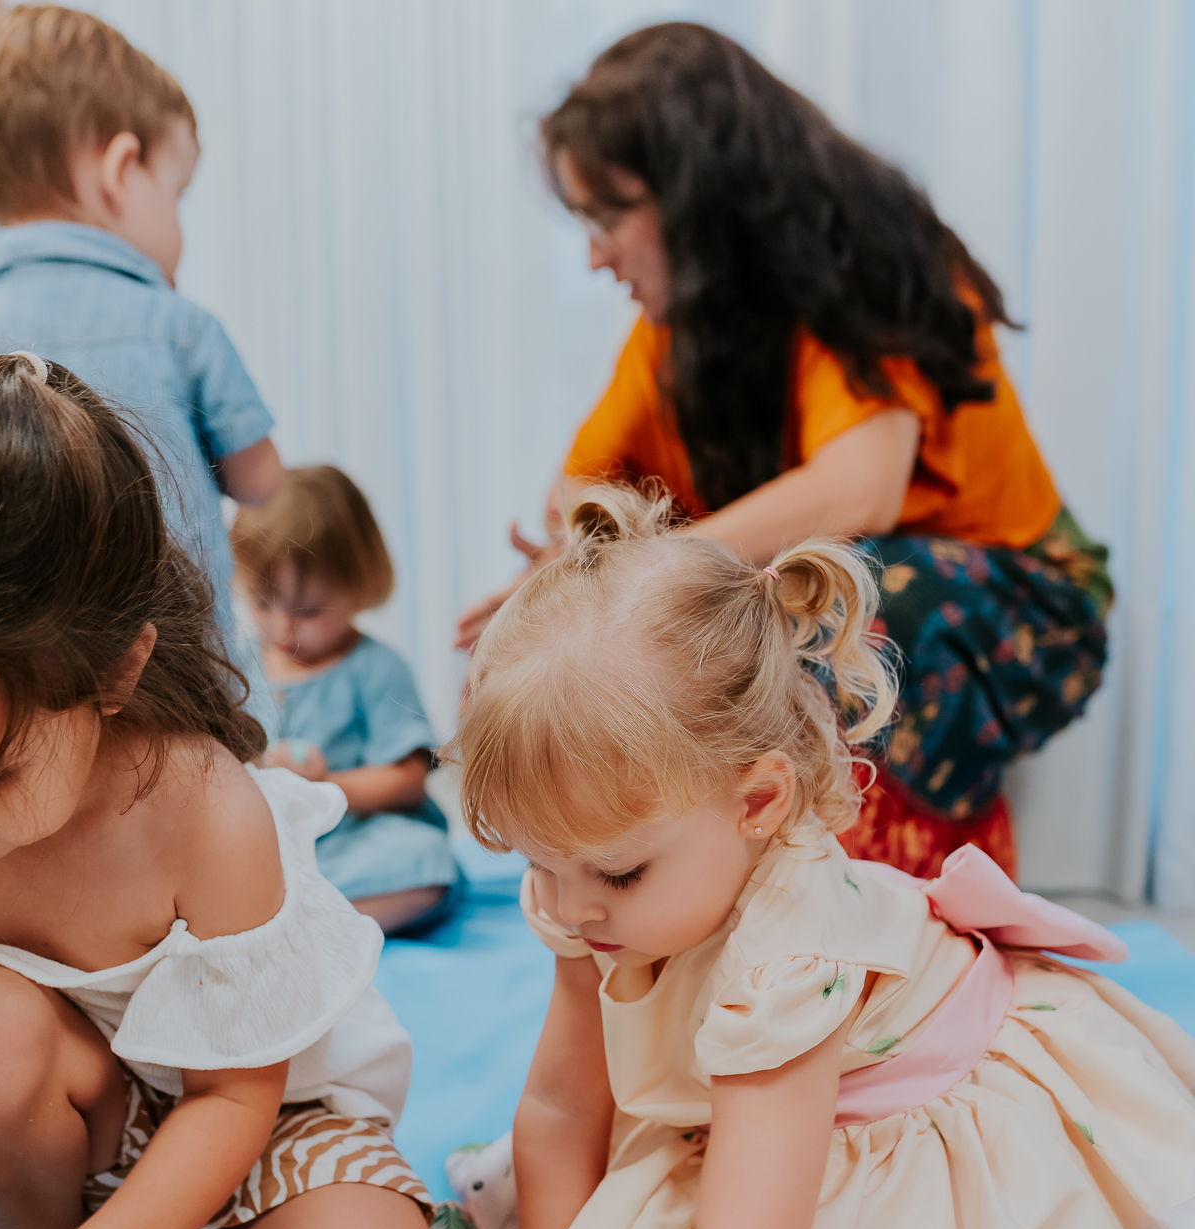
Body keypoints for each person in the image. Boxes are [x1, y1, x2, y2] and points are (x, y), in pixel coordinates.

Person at [356, 486, 1195, 1229]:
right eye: (535, 863)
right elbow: (568, 1101)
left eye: (612, 871)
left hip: (917, 1120)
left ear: (757, 805)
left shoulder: (789, 951)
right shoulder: (590, 887)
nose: (566, 909)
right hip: (749, 1111)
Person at [454, 23, 1112, 882]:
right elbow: (580, 492)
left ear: (697, 195)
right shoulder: (678, 331)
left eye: (609, 216)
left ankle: (871, 914)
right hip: (864, 582)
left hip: (1028, 600)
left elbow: (859, 488)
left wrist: (639, 578)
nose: (593, 254)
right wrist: (566, 590)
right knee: (668, 620)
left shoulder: (871, 270)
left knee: (827, 602)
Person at [0, 354, 450, 1229]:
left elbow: (232, 1103)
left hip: (264, 1113)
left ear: (115, 672)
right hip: (89, 1117)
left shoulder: (205, 806)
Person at [0, 5, 282, 656]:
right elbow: (262, 481)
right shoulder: (177, 327)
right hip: (179, 679)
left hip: (25, 687)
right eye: (176, 191)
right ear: (121, 171)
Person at [232, 466, 461, 935]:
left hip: (352, 841)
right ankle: (281, 912)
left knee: (427, 864)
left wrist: (326, 785)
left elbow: (408, 781)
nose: (281, 628)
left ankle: (308, 928)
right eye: (261, 603)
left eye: (308, 610)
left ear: (358, 587)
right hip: (267, 845)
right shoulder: (237, 664)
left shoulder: (376, 667)